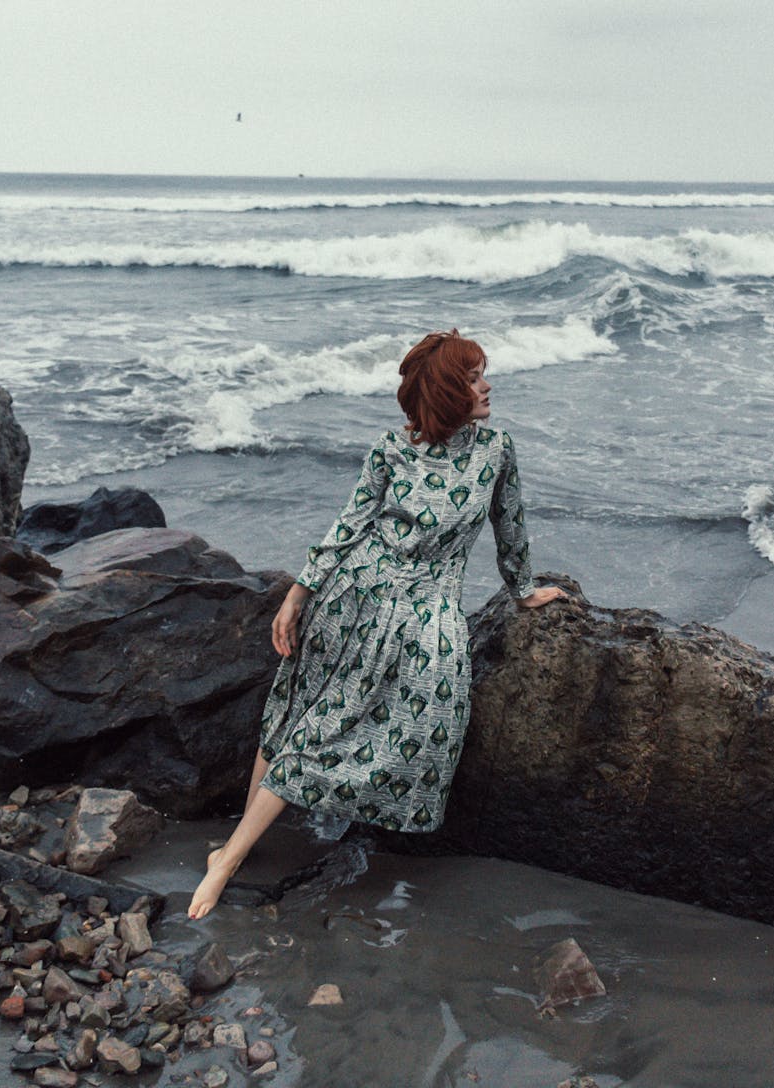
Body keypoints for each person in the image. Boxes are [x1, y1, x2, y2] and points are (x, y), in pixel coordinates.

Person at [188, 329, 567, 919]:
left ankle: (237, 847)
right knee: (296, 710)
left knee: (405, 719)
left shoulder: (496, 448)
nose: (487, 386)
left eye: (482, 374)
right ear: (446, 391)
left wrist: (521, 590)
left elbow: (509, 523)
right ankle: (233, 854)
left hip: (427, 609)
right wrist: (298, 593)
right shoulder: (390, 447)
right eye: (472, 378)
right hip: (354, 593)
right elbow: (350, 523)